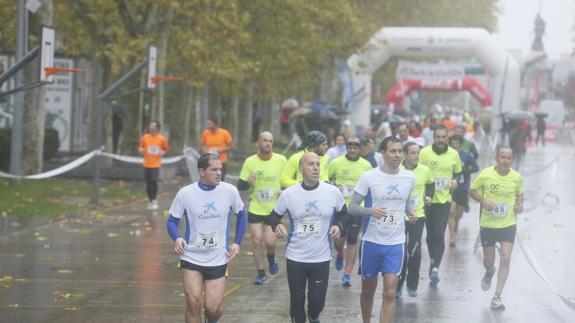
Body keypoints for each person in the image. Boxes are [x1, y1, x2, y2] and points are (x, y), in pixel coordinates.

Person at [166, 154, 247, 323]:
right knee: (193, 303)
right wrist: (177, 238)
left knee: (213, 309)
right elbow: (172, 221)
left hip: (217, 257)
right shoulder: (185, 193)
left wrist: (237, 242)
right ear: (201, 172)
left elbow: (242, 214)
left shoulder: (229, 191)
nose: (219, 173)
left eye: (220, 169)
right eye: (214, 169)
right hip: (191, 256)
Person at [268, 152, 347, 323]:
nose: (315, 168)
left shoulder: (332, 192)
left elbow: (344, 213)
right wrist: (277, 225)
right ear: (301, 168)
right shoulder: (289, 194)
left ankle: (314, 315)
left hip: (321, 257)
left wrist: (338, 226)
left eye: (317, 164)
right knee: (296, 301)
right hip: (295, 257)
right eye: (310, 164)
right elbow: (273, 216)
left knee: (317, 302)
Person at [349, 137, 416, 323]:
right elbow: (352, 207)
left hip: (395, 244)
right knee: (368, 291)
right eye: (393, 151)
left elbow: (406, 203)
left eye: (399, 151)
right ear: (383, 153)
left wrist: (411, 212)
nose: (397, 155)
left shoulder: (409, 177)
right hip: (371, 242)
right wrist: (370, 211)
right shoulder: (369, 177)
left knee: (390, 293)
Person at [469, 146, 524, 310]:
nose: (505, 161)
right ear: (496, 158)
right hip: (488, 224)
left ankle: (497, 296)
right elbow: (472, 191)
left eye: (509, 158)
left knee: (506, 257)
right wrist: (483, 200)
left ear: (511, 160)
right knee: (489, 261)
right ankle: (489, 271)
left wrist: (520, 204)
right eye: (503, 157)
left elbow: (520, 193)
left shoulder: (516, 177)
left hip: (508, 223)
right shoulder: (486, 174)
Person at [237, 131, 287, 284]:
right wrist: (248, 182)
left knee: (270, 242)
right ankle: (260, 272)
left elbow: (288, 179)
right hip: (256, 208)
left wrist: (285, 190)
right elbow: (241, 186)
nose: (268, 143)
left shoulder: (281, 160)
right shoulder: (250, 162)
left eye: (270, 141)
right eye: (265, 140)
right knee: (256, 241)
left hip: (274, 209)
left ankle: (271, 258)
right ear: (258, 142)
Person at [419, 125, 462, 286]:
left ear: (447, 138)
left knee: (439, 233)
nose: (441, 140)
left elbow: (458, 171)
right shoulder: (424, 153)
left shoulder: (454, 154)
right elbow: (418, 170)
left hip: (444, 200)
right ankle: (432, 262)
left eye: (444, 137)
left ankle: (436, 268)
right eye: (438, 137)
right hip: (427, 200)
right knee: (430, 236)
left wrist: (455, 181)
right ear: (434, 137)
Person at [327, 136, 372, 285]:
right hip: (340, 208)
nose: (353, 150)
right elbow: (327, 180)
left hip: (357, 208)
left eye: (356, 147)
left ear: (360, 149)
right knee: (339, 239)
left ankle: (347, 273)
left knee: (353, 240)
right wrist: (334, 186)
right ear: (346, 147)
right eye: (350, 147)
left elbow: (371, 186)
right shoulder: (335, 163)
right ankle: (340, 252)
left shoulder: (366, 165)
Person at [396, 142, 434, 298]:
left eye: (418, 152)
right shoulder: (398, 170)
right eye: (413, 153)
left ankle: (412, 285)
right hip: (399, 216)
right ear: (405, 154)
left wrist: (429, 196)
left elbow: (431, 185)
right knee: (400, 251)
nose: (416, 155)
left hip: (418, 216)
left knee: (415, 250)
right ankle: (397, 286)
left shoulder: (425, 170)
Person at [448, 135, 479, 247]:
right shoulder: (447, 156)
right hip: (450, 188)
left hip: (462, 188)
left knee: (458, 214)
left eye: (457, 143)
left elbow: (476, 168)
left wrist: (465, 170)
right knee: (451, 212)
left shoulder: (466, 156)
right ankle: (452, 236)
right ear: (450, 145)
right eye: (453, 143)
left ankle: (455, 227)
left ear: (460, 145)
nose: (455, 145)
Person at [138, 121, 169, 210]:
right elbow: (140, 147)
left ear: (157, 128)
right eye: (150, 125)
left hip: (156, 164)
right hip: (146, 163)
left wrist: (163, 152)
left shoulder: (162, 139)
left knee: (154, 181)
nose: (151, 127)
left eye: (153, 125)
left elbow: (166, 149)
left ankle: (154, 199)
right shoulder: (144, 137)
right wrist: (141, 150)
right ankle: (150, 200)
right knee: (148, 183)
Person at [200, 116, 234, 181]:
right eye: (207, 124)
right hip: (209, 162)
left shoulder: (224, 133)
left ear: (215, 124)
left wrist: (221, 149)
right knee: (210, 181)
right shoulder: (206, 133)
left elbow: (232, 146)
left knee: (220, 181)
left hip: (221, 162)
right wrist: (204, 150)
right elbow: (202, 144)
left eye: (210, 124)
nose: (208, 126)